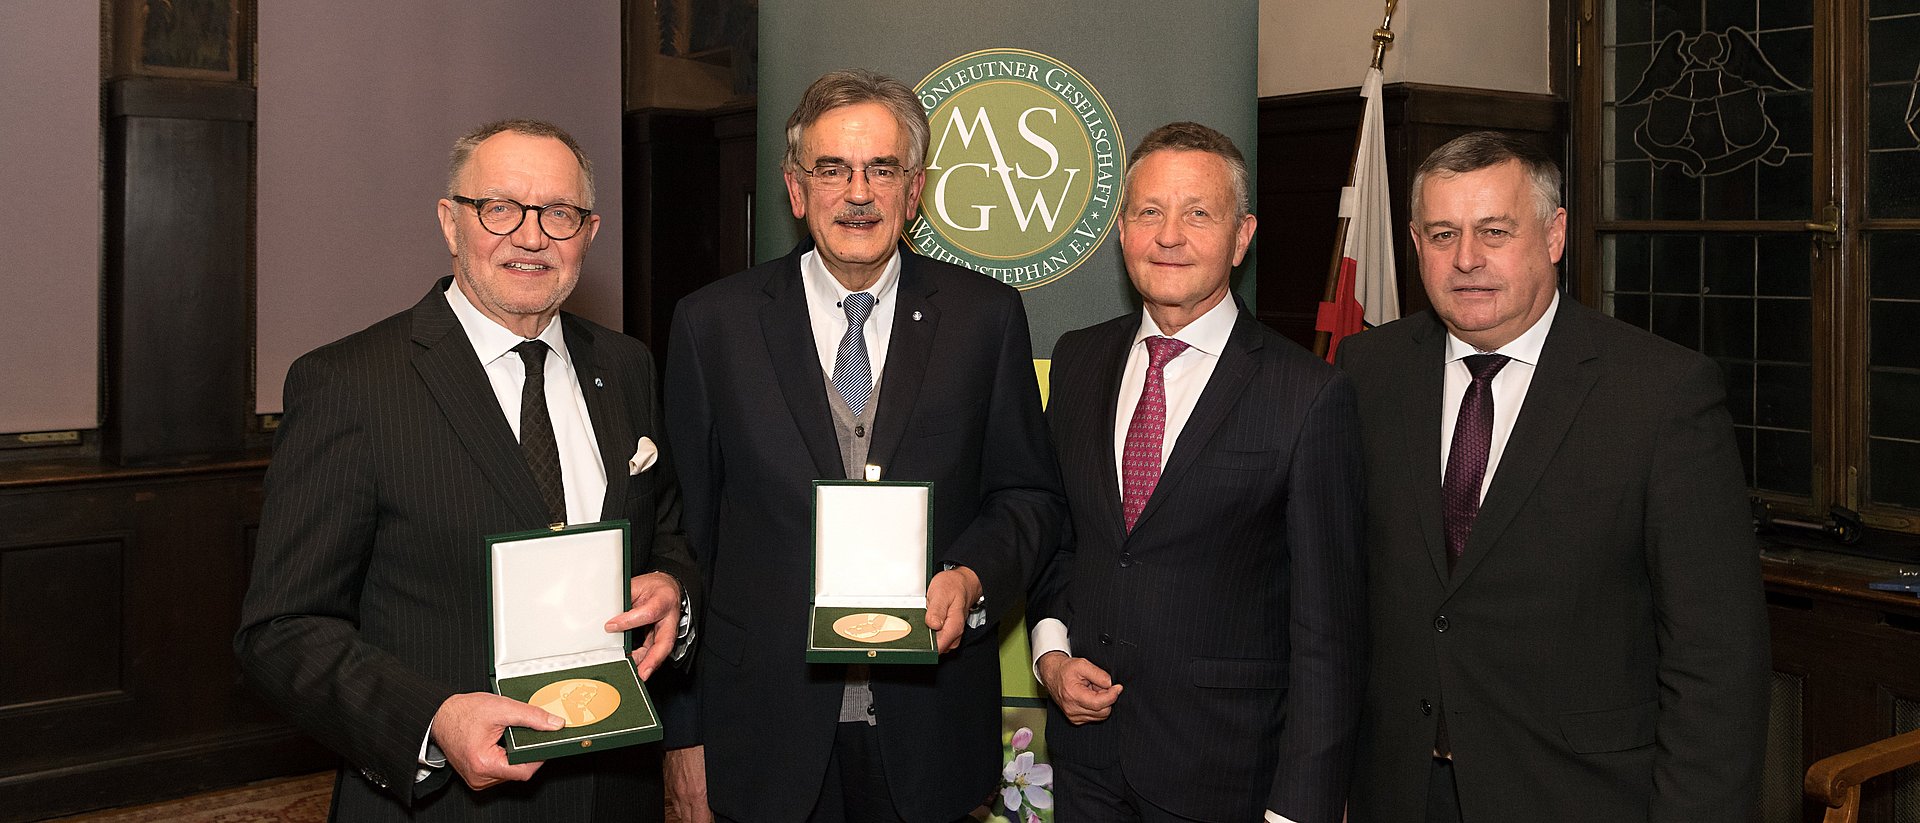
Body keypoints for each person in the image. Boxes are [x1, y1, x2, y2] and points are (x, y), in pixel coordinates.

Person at [235, 119, 698, 822]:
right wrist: (433, 720)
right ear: (451, 223)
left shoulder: (628, 366)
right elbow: (281, 628)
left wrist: (672, 589)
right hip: (443, 802)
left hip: (614, 789)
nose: (532, 235)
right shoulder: (350, 384)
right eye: (500, 208)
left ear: (590, 232)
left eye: (559, 213)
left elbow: (666, 533)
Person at [659, 68, 1066, 823]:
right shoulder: (712, 326)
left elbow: (1030, 498)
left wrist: (974, 576)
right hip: (765, 735)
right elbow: (687, 545)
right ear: (794, 188)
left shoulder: (985, 319)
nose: (858, 192)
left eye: (883, 169)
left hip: (928, 733)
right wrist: (684, 741)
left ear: (914, 191)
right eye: (832, 168)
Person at [1337, 131, 1769, 822]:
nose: (1467, 259)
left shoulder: (1661, 395)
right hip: (1398, 791)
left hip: (1577, 796)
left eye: (1495, 231)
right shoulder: (1366, 373)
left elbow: (1717, 663)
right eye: (1444, 234)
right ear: (1415, 244)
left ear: (1555, 233)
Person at [1026, 121, 1367, 823]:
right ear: (1122, 232)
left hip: (1227, 779)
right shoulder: (1080, 359)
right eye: (1149, 212)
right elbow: (1061, 536)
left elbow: (1328, 630)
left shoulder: (1307, 394)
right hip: (1087, 768)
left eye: (1197, 214)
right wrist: (1051, 655)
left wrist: (1298, 809)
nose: (1169, 235)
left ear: (1242, 237)